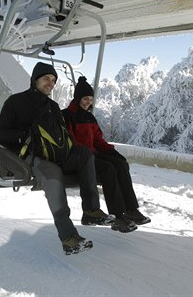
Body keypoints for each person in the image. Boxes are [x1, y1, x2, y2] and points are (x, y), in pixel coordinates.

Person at [0, 62, 114, 255]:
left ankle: (91, 210)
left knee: (84, 154)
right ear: (35, 80)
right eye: (46, 79)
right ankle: (68, 237)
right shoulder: (15, 102)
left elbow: (62, 133)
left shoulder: (53, 106)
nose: (50, 83)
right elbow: (0, 134)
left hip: (57, 152)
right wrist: (24, 134)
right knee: (53, 173)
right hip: (31, 156)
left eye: (53, 80)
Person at [62, 76, 151, 229]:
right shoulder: (66, 116)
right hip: (78, 157)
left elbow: (98, 141)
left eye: (90, 98)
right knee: (108, 168)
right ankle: (117, 216)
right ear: (77, 98)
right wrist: (87, 153)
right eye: (85, 98)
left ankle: (131, 209)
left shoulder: (89, 117)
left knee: (120, 164)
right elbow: (69, 140)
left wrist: (112, 152)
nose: (88, 102)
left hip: (92, 154)